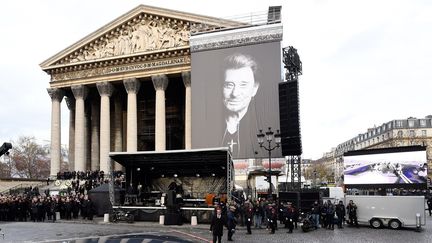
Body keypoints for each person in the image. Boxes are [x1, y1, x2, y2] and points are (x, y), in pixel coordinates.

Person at [221, 53, 259, 157]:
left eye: (243, 85)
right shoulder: (208, 129)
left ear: (254, 89)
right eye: (229, 85)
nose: (235, 93)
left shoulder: (260, 129)